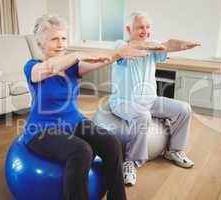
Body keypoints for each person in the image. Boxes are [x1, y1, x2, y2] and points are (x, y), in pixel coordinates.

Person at [22, 13, 150, 200]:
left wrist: (118, 54)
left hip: (74, 121)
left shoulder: (73, 67)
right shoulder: (32, 67)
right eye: (54, 39)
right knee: (82, 151)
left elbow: (101, 61)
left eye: (64, 38)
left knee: (111, 142)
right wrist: (77, 54)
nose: (61, 44)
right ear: (40, 43)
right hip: (41, 130)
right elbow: (51, 68)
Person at [108, 12, 201, 186]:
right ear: (129, 29)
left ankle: (174, 151)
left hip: (150, 100)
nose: (145, 30)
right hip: (123, 102)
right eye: (140, 27)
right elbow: (123, 51)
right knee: (143, 116)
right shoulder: (120, 44)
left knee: (184, 109)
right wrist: (149, 45)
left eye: (148, 27)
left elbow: (168, 45)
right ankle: (130, 162)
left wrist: (186, 44)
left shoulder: (153, 48)